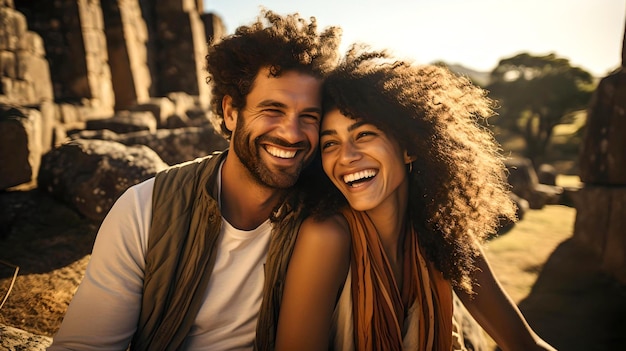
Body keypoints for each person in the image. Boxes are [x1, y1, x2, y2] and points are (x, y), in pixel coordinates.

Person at [48, 10, 341, 351]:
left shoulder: (325, 215)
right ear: (231, 112)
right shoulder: (146, 210)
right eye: (272, 110)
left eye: (308, 117)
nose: (291, 133)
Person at [275, 47, 557, 350]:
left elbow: (526, 345)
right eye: (330, 143)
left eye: (365, 134)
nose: (347, 156)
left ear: (409, 148)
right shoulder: (326, 237)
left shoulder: (445, 237)